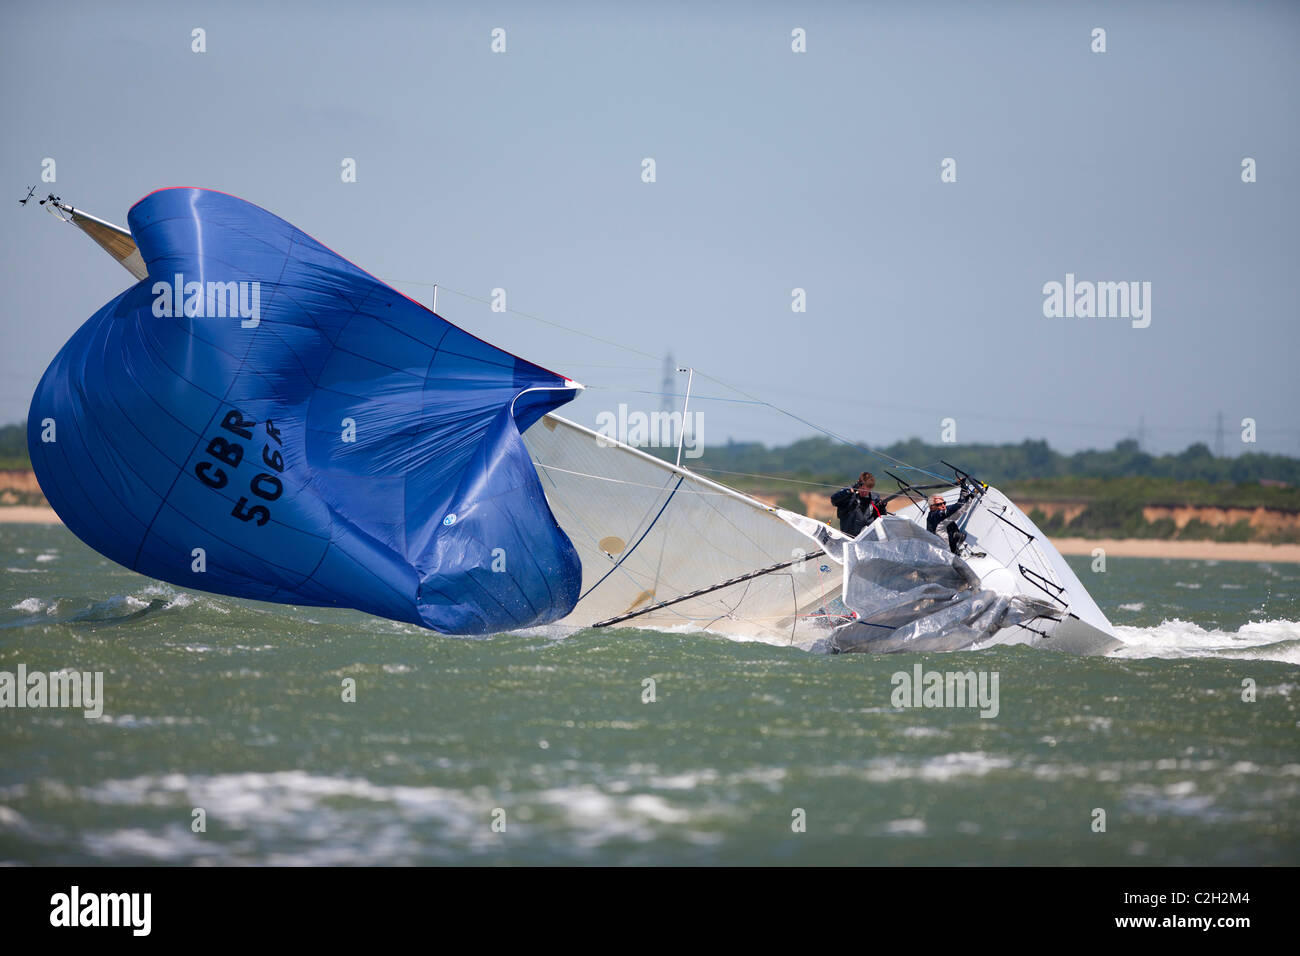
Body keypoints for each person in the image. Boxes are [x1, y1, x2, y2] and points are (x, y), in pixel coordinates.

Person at [830, 472, 890, 537]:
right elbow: (833, 500)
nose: (864, 492)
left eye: (867, 490)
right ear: (859, 485)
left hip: (867, 538)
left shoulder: (874, 498)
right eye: (863, 489)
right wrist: (849, 491)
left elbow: (880, 519)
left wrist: (882, 508)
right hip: (849, 537)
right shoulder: (848, 494)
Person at [927, 489, 972, 553]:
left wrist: (963, 496)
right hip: (944, 554)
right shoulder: (938, 515)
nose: (943, 506)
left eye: (944, 503)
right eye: (939, 504)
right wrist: (969, 497)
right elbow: (958, 511)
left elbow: (955, 507)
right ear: (932, 507)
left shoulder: (934, 513)